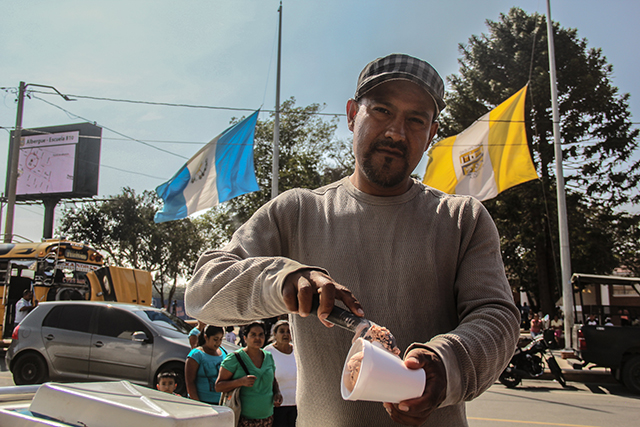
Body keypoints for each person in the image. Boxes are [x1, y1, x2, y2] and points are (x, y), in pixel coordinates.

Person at [186, 53, 520, 426]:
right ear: (350, 114)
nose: (396, 132)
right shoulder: (296, 211)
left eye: (416, 120)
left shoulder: (463, 219)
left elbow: (497, 316)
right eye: (381, 110)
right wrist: (283, 279)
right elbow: (202, 292)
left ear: (431, 133)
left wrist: (445, 366)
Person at [216, 322, 283, 427]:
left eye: (261, 334)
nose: (258, 338)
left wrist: (277, 392)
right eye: (253, 335)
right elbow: (218, 386)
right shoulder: (234, 359)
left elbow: (273, 380)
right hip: (243, 419)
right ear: (245, 338)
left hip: (267, 418)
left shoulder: (268, 356)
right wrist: (240, 382)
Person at [264, 320, 297, 427]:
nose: (285, 334)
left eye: (288, 331)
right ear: (275, 334)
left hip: (297, 404)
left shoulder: (297, 350)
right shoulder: (268, 352)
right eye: (282, 331)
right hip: (277, 405)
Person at [185, 325, 228, 404]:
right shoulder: (196, 355)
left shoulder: (223, 352)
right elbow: (190, 383)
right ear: (206, 337)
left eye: (220, 339)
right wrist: (197, 403)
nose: (218, 343)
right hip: (203, 403)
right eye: (215, 339)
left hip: (221, 403)